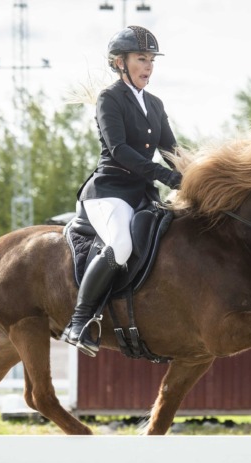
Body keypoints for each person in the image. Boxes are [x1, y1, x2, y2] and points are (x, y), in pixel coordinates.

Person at [61, 26, 182, 353]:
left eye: (152, 60)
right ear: (120, 63)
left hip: (144, 195)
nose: (149, 66)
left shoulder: (155, 104)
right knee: (121, 245)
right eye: (141, 59)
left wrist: (199, 174)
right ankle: (79, 321)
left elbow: (172, 150)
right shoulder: (109, 98)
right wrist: (165, 176)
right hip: (110, 191)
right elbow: (119, 150)